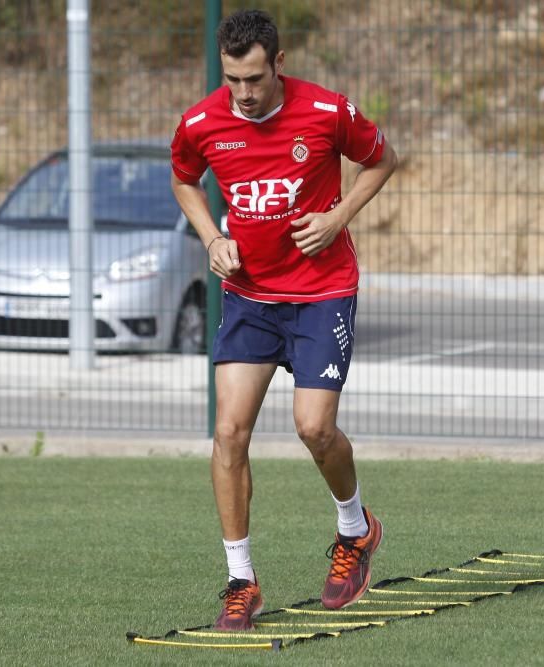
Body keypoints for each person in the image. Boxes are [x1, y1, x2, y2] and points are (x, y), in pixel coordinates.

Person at [170, 9, 397, 630]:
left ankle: (357, 529)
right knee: (228, 433)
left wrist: (339, 216)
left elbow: (382, 160)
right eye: (231, 80)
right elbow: (185, 179)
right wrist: (211, 236)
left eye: (253, 80)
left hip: (323, 292)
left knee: (314, 428)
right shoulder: (201, 121)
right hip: (248, 296)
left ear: (278, 64)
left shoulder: (326, 113)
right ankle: (241, 580)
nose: (242, 94)